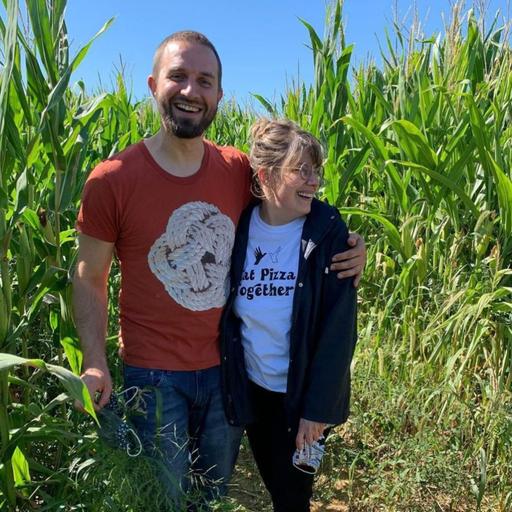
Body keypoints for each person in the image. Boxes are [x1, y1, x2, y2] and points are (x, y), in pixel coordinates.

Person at [72, 31, 365, 507]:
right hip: (153, 375)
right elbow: (88, 276)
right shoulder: (113, 180)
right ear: (153, 85)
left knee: (209, 497)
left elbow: (292, 200)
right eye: (178, 77)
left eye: (204, 81)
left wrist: (350, 242)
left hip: (225, 373)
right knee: (163, 498)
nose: (191, 91)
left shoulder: (235, 170)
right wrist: (93, 359)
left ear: (218, 96)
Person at [220, 118, 358, 512]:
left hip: (301, 394)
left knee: (293, 495)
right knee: (273, 482)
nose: (313, 181)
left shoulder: (327, 230)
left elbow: (338, 329)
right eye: (302, 170)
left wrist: (318, 411)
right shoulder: (241, 225)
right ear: (265, 175)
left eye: (316, 171)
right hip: (255, 390)